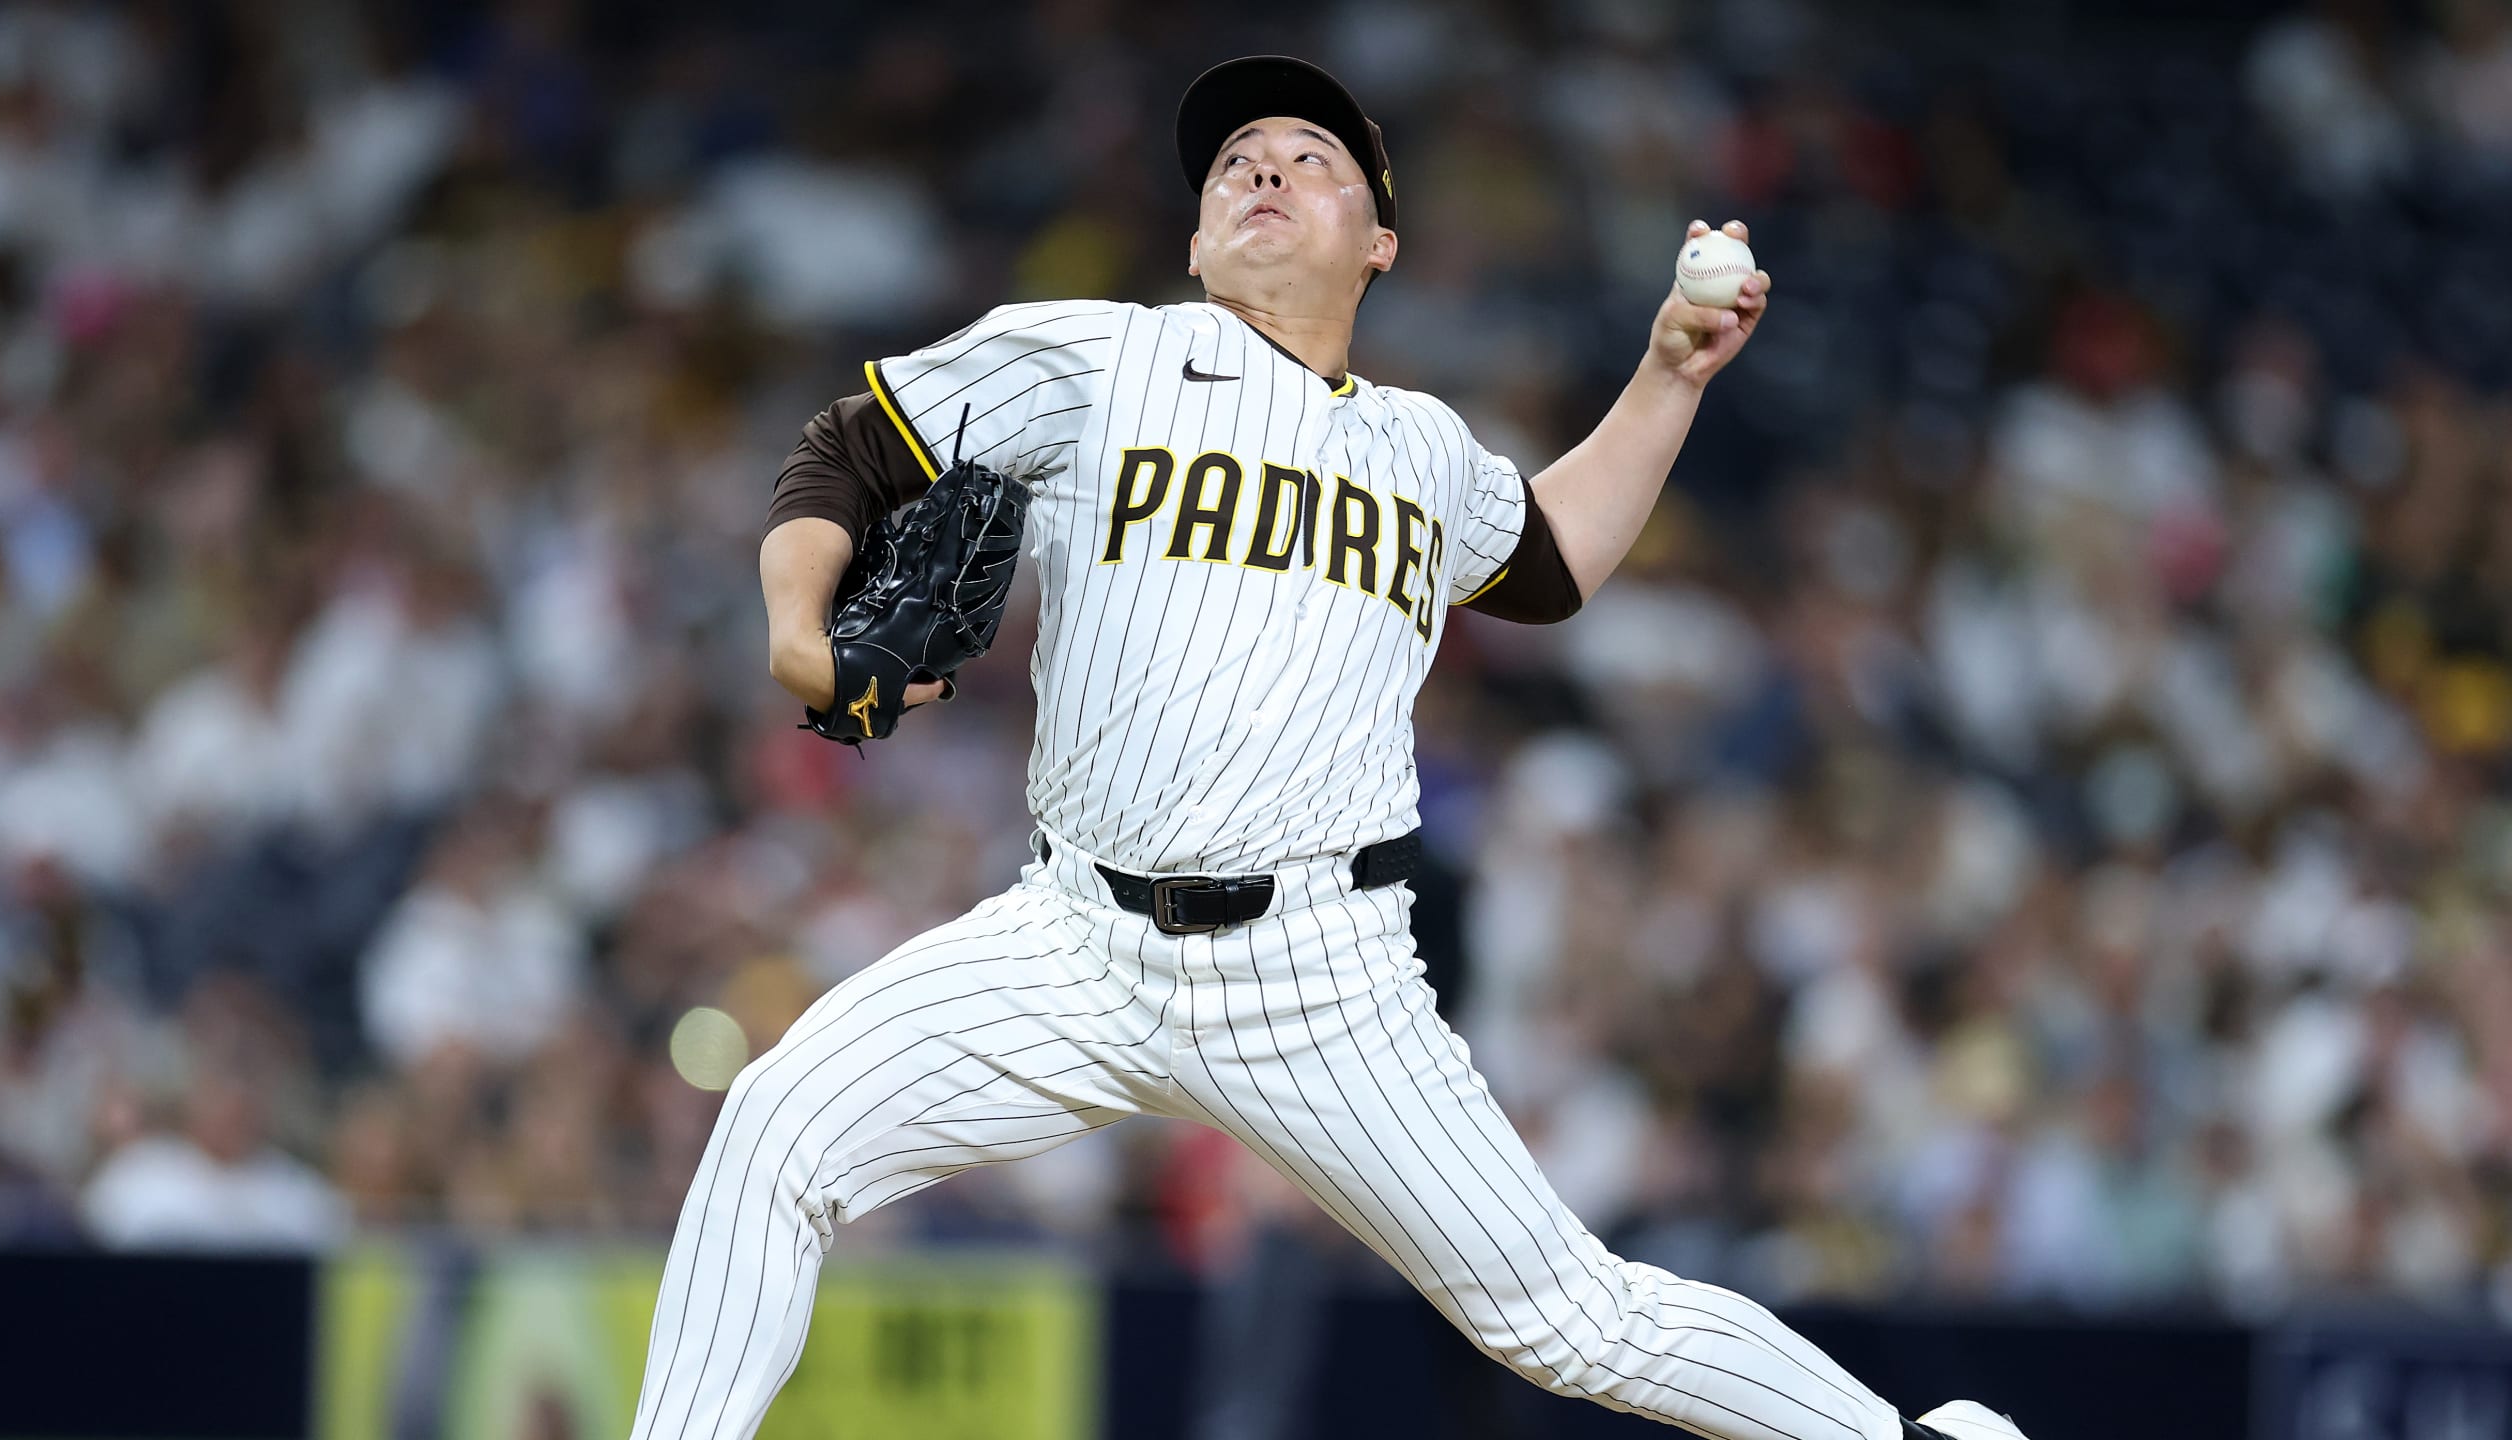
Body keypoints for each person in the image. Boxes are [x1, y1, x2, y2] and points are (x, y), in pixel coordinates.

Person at [631, 55, 2026, 1440]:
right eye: (1236, 161)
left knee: (1569, 1321)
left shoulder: (1424, 448)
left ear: (1379, 245)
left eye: (1312, 160)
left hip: (1316, 976)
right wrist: (798, 629)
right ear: (1194, 241)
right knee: (774, 1129)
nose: (1263, 168)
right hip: (1071, 940)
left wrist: (1668, 374)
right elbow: (849, 449)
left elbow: (1546, 563)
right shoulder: (1097, 357)